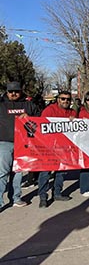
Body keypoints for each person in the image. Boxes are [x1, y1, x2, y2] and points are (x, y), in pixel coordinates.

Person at [0, 81, 40, 210]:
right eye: (11, 91)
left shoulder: (28, 104)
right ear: (7, 92)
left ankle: (16, 198)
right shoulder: (1, 104)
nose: (13, 94)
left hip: (22, 143)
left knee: (18, 172)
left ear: (20, 91)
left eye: (16, 91)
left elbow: (40, 118)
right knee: (2, 173)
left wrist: (30, 117)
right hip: (4, 142)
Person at [38, 91, 76, 208]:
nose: (65, 101)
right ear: (58, 99)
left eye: (68, 99)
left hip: (64, 147)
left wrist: (74, 120)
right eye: (63, 99)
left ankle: (57, 193)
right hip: (49, 146)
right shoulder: (49, 110)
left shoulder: (72, 112)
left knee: (62, 171)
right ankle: (43, 197)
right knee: (45, 172)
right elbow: (41, 126)